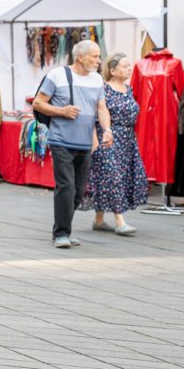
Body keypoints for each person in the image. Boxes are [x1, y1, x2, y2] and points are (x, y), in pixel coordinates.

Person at [32, 40, 113, 249]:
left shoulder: (97, 79)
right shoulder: (57, 75)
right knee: (66, 187)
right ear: (80, 57)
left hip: (85, 143)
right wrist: (61, 111)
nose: (98, 60)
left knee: (77, 191)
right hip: (61, 141)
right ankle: (61, 234)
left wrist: (107, 130)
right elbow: (38, 103)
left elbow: (101, 108)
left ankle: (63, 228)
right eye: (94, 56)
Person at [83, 52, 148, 236]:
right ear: (112, 70)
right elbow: (93, 114)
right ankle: (120, 221)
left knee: (114, 177)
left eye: (129, 65)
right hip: (108, 138)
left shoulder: (129, 89)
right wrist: (95, 138)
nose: (129, 68)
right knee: (113, 177)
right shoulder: (102, 88)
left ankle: (99, 219)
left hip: (127, 140)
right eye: (125, 66)